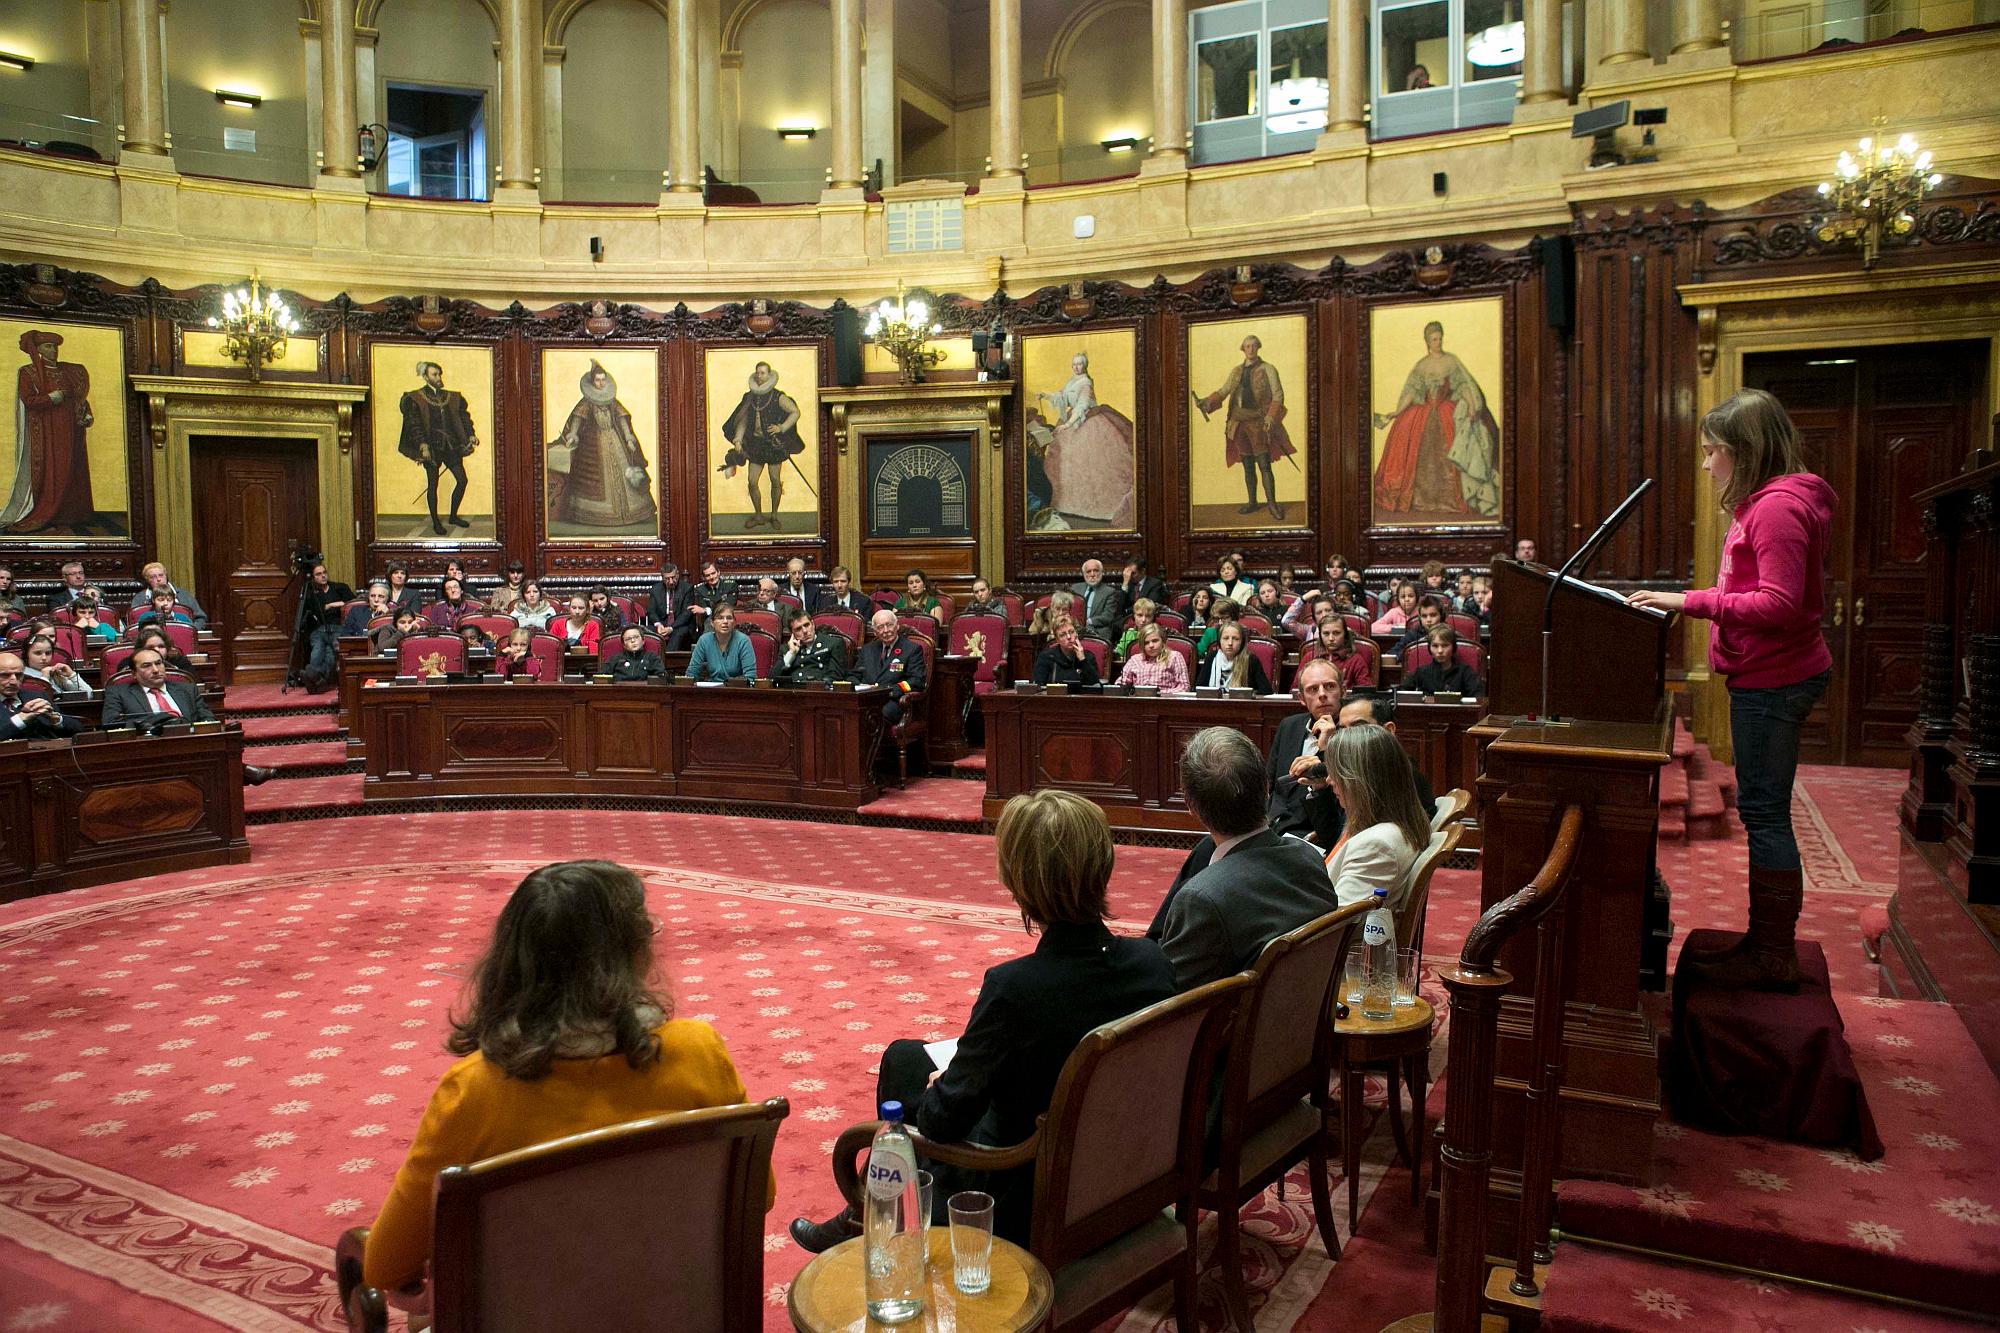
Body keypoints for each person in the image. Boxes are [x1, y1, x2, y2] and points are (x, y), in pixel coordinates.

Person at [789, 790, 1176, 1252]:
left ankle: (881, 1223)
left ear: (1020, 884)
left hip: (1026, 1191)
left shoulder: (1015, 988)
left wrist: (944, 1088)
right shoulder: (1153, 963)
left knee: (909, 1090)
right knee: (905, 1057)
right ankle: (868, 1214)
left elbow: (941, 1122)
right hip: (1123, 1166)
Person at [364, 860, 768, 1296]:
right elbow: (758, 1196)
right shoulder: (698, 1051)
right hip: (677, 1309)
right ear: (635, 954)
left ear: (509, 962)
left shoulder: (474, 1092)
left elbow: (385, 1266)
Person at [1627, 388, 1835, 992]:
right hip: (1768, 672)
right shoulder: (1770, 503)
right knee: (1764, 810)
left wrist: (1685, 602)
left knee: (1766, 814)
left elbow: (1777, 603)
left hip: (1777, 676)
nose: (1706, 464)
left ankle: (1772, 953)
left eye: (1712, 451)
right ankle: (1765, 943)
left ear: (1743, 451)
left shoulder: (1775, 509)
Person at [1154, 727, 1338, 990]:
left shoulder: (1202, 898)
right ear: (1266, 789)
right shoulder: (1308, 857)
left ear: (1190, 805)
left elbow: (1171, 1004)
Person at [1372, 321, 1501, 520]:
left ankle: (1455, 501)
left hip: (1445, 411)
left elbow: (1463, 386)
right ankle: (1416, 500)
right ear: (1427, 341)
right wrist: (1397, 411)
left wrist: (1472, 406)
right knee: (1410, 448)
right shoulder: (1421, 366)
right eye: (1434, 339)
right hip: (1422, 414)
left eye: (1440, 338)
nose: (1438, 342)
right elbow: (1412, 391)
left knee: (1453, 449)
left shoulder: (1451, 361)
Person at [1321, 722, 1431, 909]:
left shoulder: (1377, 845)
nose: (1328, 780)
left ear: (1359, 779)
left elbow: (1339, 925)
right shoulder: (1399, 822)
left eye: (1336, 771)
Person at [1027, 351, 1137, 530]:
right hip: (1072, 423)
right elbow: (1061, 397)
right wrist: (1045, 396)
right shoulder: (1072, 381)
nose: (1077, 367)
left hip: (1088, 422)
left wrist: (1068, 424)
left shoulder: (1085, 383)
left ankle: (1098, 507)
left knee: (1093, 463)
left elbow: (1081, 406)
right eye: (1074, 364)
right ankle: (1064, 505)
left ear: (1084, 366)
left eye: (1079, 364)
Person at [0, 330, 96, 535]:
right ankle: (47, 512)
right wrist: (52, 397)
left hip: (72, 430)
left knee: (73, 468)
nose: (53, 350)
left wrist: (86, 414)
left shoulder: (68, 371)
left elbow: (79, 398)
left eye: (55, 346)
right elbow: (29, 400)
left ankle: (72, 514)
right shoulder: (29, 372)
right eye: (48, 347)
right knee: (54, 469)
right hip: (47, 433)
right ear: (39, 350)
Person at [1194, 334, 1295, 521]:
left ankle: (1272, 504)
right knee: (1248, 466)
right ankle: (1252, 502)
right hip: (1238, 424)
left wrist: (1271, 417)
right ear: (1243, 349)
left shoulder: (1268, 369)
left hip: (1258, 423)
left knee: (1264, 465)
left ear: (1258, 347)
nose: (1250, 349)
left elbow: (1278, 396)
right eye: (1247, 346)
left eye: (1253, 346)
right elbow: (1224, 392)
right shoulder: (1236, 372)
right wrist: (1206, 402)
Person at [546, 360, 656, 531]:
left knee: (626, 475)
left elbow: (621, 419)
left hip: (615, 440)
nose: (600, 383)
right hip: (593, 444)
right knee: (596, 479)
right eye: (597, 380)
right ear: (592, 382)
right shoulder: (586, 402)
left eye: (603, 379)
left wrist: (628, 438)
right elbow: (577, 419)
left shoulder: (612, 401)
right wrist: (573, 435)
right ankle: (596, 516)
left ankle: (631, 513)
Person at [1262, 659, 1349, 850]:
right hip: (1274, 825)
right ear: (1302, 698)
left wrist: (1328, 746)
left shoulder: (1352, 733)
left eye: (1329, 686)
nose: (1322, 695)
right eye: (1313, 690)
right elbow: (1271, 782)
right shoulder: (1289, 726)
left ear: (1343, 690)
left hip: (1314, 832)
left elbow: (1342, 805)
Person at [719, 361, 806, 531]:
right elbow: (742, 420)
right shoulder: (750, 397)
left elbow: (795, 412)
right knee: (752, 481)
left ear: (769, 375)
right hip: (756, 445)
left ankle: (774, 515)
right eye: (758, 373)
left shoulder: (778, 396)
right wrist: (738, 439)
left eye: (763, 373)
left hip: (773, 445)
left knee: (774, 480)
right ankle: (758, 515)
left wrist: (781, 428)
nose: (760, 376)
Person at [1337, 693, 1435, 816]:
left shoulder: (1396, 773)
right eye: (1342, 730)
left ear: (1388, 730)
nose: (1346, 737)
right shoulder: (1358, 768)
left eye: (1358, 727)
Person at [855, 609, 925, 722]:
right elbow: (855, 675)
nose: (886, 630)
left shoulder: (912, 649)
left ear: (897, 626)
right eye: (880, 627)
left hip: (895, 700)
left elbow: (916, 681)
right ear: (874, 632)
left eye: (889, 625)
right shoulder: (867, 649)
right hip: (867, 699)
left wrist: (891, 690)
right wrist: (858, 686)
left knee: (876, 714)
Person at [0, 650, 83, 739]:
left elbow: (78, 730)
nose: (14, 681)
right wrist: (21, 719)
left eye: (18, 675)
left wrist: (56, 720)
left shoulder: (37, 696)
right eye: (5, 675)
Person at [1303, 611, 1375, 689]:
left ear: (1345, 634)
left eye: (1336, 633)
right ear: (1320, 635)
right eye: (1326, 634)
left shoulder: (1356, 660)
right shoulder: (1309, 657)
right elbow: (1296, 690)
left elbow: (1366, 694)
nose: (1331, 638)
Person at [772, 612, 849, 685]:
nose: (805, 631)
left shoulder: (833, 643)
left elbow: (836, 677)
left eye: (806, 625)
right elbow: (772, 679)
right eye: (798, 629)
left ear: (812, 624)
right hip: (793, 694)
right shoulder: (787, 649)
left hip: (820, 693)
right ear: (792, 633)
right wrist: (791, 653)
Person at [1405, 625, 1482, 697]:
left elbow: (1478, 696)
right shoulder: (1421, 672)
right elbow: (1402, 693)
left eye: (1445, 645)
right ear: (1429, 649)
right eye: (1435, 646)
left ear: (1453, 648)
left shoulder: (1465, 672)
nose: (1440, 651)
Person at [128, 562, 208, 630]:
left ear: (166, 576)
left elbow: (200, 618)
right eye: (153, 577)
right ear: (147, 580)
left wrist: (191, 632)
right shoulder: (139, 598)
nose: (158, 579)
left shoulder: (184, 595)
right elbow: (134, 625)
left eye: (161, 575)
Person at [687, 602, 754, 682]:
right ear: (712, 623)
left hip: (737, 691)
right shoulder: (704, 640)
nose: (725, 621)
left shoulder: (743, 641)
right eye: (720, 618)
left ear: (734, 622)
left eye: (729, 618)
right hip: (712, 690)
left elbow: (750, 676)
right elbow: (692, 672)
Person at [1197, 621, 1271, 693]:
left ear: (1242, 642)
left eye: (1236, 639)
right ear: (1219, 641)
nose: (1230, 643)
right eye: (1226, 638)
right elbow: (1199, 688)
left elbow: (1265, 691)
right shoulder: (1212, 657)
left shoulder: (1251, 660)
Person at [1117, 622, 1189, 692]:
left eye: (1155, 641)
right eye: (1146, 643)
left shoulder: (1174, 657)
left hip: (1166, 701)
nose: (1151, 645)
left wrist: (1159, 694)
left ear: (1163, 641)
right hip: (1138, 700)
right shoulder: (1135, 659)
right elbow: (1121, 683)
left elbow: (1184, 686)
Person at [1032, 616, 1101, 687]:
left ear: (1076, 634)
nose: (1068, 637)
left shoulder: (1088, 657)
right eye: (1063, 635)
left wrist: (1082, 660)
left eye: (1071, 632)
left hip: (1080, 697)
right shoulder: (1046, 657)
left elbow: (1095, 686)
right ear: (1057, 640)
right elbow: (1038, 687)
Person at [645, 562, 696, 652]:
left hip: (680, 625)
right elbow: (651, 611)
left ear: (677, 574)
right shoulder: (655, 589)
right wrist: (658, 624)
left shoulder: (687, 588)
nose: (671, 581)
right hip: (662, 624)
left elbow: (686, 614)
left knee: (679, 633)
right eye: (667, 579)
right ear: (662, 578)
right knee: (646, 631)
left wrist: (671, 628)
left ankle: (667, 660)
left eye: (673, 577)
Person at [23, 635, 90, 698]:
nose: (44, 657)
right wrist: (45, 679)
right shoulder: (22, 676)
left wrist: (72, 675)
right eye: (38, 653)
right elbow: (39, 700)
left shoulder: (54, 673)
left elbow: (88, 695)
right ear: (26, 655)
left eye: (48, 653)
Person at [1069, 558, 1121, 635]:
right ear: (1084, 574)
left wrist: (1088, 622)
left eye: (1096, 571)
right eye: (1088, 571)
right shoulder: (1075, 588)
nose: (1092, 574)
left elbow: (1108, 616)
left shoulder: (1109, 592)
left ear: (1101, 572)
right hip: (1074, 629)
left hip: (1098, 631)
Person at [127, 624, 197, 678]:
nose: (157, 650)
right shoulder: (129, 663)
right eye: (150, 647)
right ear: (141, 649)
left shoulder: (181, 663)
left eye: (161, 646)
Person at [689, 561, 736, 629]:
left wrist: (707, 611)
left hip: (726, 618)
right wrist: (705, 611)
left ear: (718, 572)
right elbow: (702, 607)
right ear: (704, 578)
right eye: (708, 575)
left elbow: (728, 606)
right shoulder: (700, 589)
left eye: (713, 573)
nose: (711, 577)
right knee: (710, 622)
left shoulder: (730, 586)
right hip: (709, 620)